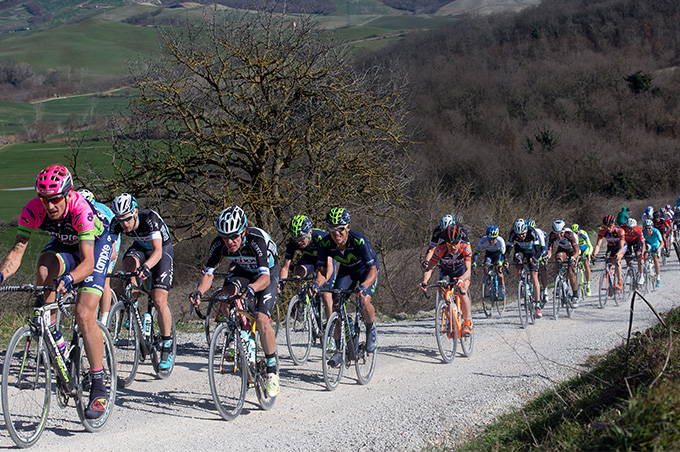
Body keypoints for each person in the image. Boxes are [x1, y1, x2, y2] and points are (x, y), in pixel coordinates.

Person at [0, 165, 113, 419]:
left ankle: (98, 384)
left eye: (55, 199)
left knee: (83, 314)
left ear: (68, 194)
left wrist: (70, 278)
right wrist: (1, 274)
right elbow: (17, 251)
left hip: (93, 246)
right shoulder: (32, 210)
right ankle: (52, 334)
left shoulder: (80, 209)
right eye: (44, 199)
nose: (49, 206)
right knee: (43, 270)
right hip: (64, 243)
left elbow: (87, 262)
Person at [188, 206, 280, 396]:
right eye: (224, 237)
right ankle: (235, 331)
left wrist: (252, 289)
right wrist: (198, 291)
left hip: (266, 274)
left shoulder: (256, 241)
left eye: (234, 237)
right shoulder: (218, 245)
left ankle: (271, 370)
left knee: (262, 319)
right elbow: (208, 274)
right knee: (225, 295)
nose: (229, 242)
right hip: (243, 270)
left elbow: (264, 279)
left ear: (244, 230)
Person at [109, 193, 175, 372]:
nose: (124, 224)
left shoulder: (149, 218)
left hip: (161, 251)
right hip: (139, 247)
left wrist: (146, 267)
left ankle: (167, 345)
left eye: (127, 219)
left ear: (135, 212)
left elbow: (158, 251)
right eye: (120, 220)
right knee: (128, 265)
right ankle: (133, 307)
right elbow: (111, 252)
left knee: (159, 298)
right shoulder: (116, 224)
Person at [312, 208, 379, 367]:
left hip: (366, 271)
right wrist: (316, 284)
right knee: (336, 305)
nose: (336, 233)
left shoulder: (358, 240)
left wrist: (363, 286)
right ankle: (339, 349)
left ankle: (371, 329)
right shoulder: (325, 243)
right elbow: (322, 272)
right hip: (347, 271)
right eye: (332, 229)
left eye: (340, 228)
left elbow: (373, 271)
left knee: (363, 299)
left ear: (347, 227)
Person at [78, 189, 120, 326]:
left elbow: (110, 252)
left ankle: (104, 320)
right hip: (90, 236)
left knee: (104, 279)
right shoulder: (78, 215)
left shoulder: (100, 216)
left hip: (107, 237)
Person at [279, 215, 334, 319]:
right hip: (310, 259)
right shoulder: (293, 241)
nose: (298, 242)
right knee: (297, 271)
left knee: (326, 294)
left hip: (325, 261)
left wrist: (317, 283)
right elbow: (285, 267)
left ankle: (330, 326)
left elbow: (328, 268)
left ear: (309, 232)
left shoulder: (322, 238)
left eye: (301, 238)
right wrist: (281, 283)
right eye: (295, 239)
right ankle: (304, 300)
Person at [421, 225, 473, 334]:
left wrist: (462, 278)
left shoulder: (465, 248)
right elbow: (430, 267)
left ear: (460, 241)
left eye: (455, 244)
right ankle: (451, 322)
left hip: (462, 272)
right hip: (446, 272)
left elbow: (468, 270)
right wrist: (424, 281)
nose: (453, 247)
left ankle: (467, 322)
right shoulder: (441, 249)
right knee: (444, 294)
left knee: (462, 290)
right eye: (450, 244)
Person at [504, 219, 543, 317]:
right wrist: (505, 259)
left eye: (523, 234)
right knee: (516, 262)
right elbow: (508, 248)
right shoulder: (513, 233)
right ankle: (521, 283)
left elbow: (538, 249)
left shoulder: (531, 232)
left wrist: (535, 258)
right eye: (519, 235)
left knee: (534, 275)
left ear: (526, 230)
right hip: (520, 250)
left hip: (532, 251)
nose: (521, 236)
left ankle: (537, 305)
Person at [545, 220, 580, 307]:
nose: (559, 236)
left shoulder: (570, 234)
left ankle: (575, 295)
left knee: (570, 271)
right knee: (558, 259)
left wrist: (573, 258)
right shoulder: (552, 235)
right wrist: (547, 257)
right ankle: (559, 283)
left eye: (561, 233)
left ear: (564, 231)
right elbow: (550, 250)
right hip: (562, 250)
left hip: (573, 251)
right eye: (556, 234)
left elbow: (577, 251)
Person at [592, 215, 626, 291]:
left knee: (617, 260)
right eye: (606, 226)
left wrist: (617, 254)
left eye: (610, 226)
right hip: (610, 247)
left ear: (613, 224)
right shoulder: (602, 231)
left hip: (620, 247)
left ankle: (620, 282)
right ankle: (611, 284)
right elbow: (598, 245)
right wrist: (594, 254)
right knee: (607, 263)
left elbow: (621, 247)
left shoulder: (620, 231)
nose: (608, 228)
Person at [472, 225, 506, 300]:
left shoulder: (500, 240)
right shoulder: (483, 240)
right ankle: (490, 288)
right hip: (489, 255)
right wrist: (474, 262)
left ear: (496, 237)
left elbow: (503, 254)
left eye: (493, 239)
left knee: (498, 269)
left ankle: (501, 290)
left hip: (498, 255)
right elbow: (477, 253)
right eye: (489, 239)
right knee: (486, 268)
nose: (491, 241)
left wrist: (501, 262)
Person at [527, 219, 549, 303]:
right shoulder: (527, 234)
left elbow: (543, 247)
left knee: (542, 266)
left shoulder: (538, 232)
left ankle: (545, 289)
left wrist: (541, 257)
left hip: (542, 245)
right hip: (533, 247)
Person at [571, 224, 593, 296]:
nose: (576, 234)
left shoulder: (583, 234)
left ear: (579, 231)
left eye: (577, 232)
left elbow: (590, 245)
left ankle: (588, 285)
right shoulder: (570, 235)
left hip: (585, 248)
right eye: (574, 233)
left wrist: (589, 253)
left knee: (586, 263)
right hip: (577, 249)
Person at [622, 218, 646, 285]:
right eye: (628, 228)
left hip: (636, 241)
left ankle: (641, 275)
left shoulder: (638, 230)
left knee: (639, 257)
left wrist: (642, 253)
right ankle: (631, 275)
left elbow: (643, 243)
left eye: (631, 229)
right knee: (627, 259)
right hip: (627, 242)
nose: (629, 230)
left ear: (634, 228)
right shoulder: (622, 228)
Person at [642, 219, 663, 287]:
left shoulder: (656, 231)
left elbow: (662, 242)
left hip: (655, 245)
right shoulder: (643, 232)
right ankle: (645, 265)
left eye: (649, 228)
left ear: (652, 227)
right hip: (648, 244)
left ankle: (658, 277)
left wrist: (659, 249)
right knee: (645, 253)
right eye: (646, 228)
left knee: (655, 258)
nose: (648, 230)